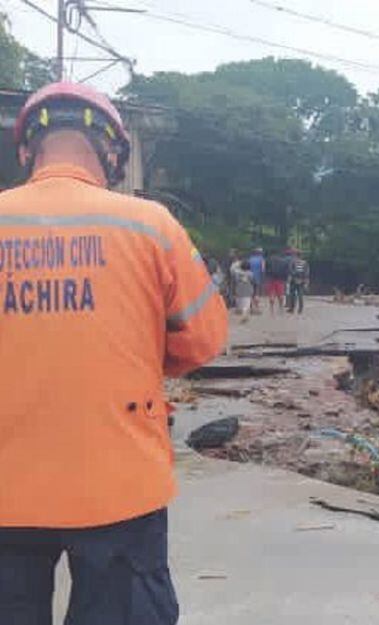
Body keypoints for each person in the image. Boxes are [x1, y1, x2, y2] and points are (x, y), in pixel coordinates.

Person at [0, 82, 228, 624]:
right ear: (111, 153)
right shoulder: (149, 225)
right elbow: (203, 340)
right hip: (119, 482)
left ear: (27, 149)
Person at [265, 249, 291, 314]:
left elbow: (266, 270)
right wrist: (285, 278)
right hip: (280, 279)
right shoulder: (283, 261)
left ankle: (271, 308)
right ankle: (281, 307)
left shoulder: (268, 260)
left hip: (271, 279)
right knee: (280, 294)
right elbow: (286, 271)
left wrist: (267, 277)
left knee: (271, 293)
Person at [286, 248, 310, 314]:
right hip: (302, 280)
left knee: (293, 295)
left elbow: (290, 271)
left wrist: (293, 277)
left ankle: (292, 309)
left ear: (296, 255)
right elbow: (307, 272)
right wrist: (305, 280)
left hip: (294, 280)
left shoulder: (293, 262)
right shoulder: (305, 263)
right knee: (300, 295)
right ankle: (300, 309)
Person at [248, 247, 265, 312]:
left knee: (250, 292)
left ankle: (251, 306)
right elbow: (263, 269)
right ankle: (256, 307)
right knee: (256, 292)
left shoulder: (250, 259)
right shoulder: (261, 259)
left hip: (250, 278)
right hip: (257, 278)